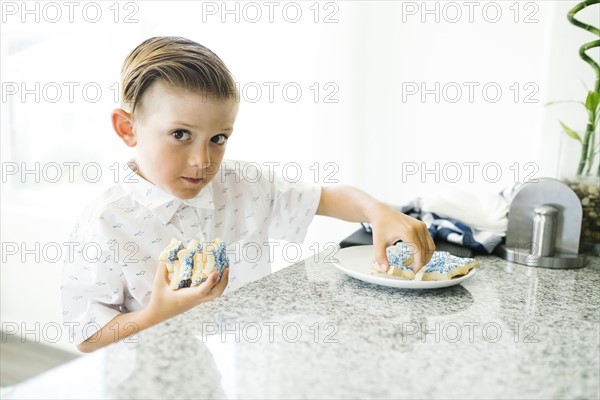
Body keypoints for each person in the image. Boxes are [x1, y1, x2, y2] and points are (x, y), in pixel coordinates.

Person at [61, 36, 435, 353]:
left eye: (218, 139)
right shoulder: (106, 222)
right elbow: (88, 336)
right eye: (180, 134)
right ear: (128, 129)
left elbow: (329, 198)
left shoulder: (240, 185)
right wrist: (157, 313)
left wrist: (377, 211)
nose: (202, 160)